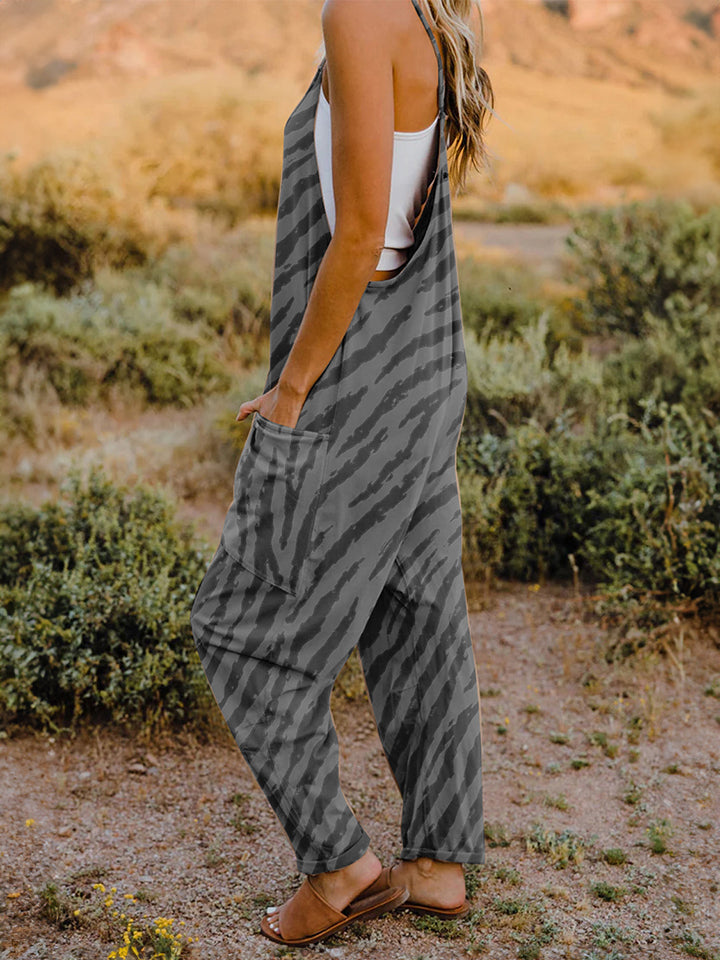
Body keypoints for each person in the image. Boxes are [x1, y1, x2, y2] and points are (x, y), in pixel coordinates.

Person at [190, 0, 496, 947]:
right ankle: (440, 866)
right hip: (420, 368)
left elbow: (362, 231)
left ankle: (339, 867)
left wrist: (290, 390)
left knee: (239, 629)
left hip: (358, 383)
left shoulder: (359, 11)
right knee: (418, 615)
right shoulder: (420, 12)